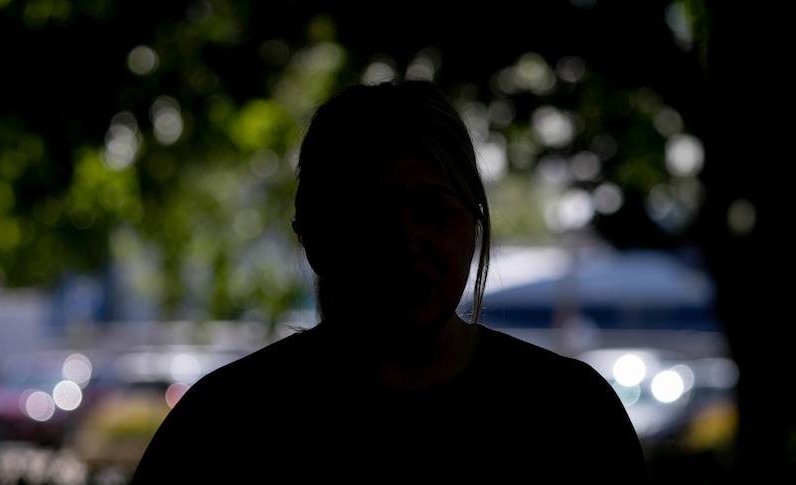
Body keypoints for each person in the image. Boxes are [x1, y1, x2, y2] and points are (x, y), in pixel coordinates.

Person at [131, 79, 649, 483]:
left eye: (435, 212)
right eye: (370, 215)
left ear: (473, 227)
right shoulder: (224, 428)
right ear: (314, 237)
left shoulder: (571, 417)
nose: (406, 240)